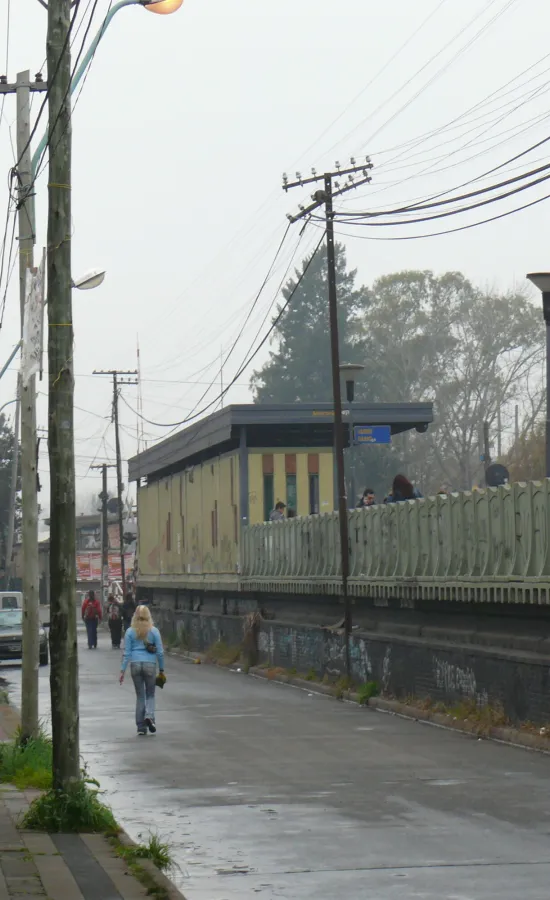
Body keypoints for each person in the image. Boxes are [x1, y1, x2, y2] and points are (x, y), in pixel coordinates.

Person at [119, 605, 165, 736]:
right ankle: (149, 716)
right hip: (150, 665)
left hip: (135, 665)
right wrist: (161, 669)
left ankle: (141, 727)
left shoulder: (130, 632)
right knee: (150, 694)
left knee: (140, 696)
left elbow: (126, 653)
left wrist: (122, 671)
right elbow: (160, 653)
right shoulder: (154, 631)